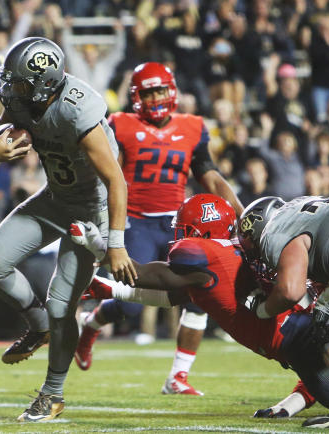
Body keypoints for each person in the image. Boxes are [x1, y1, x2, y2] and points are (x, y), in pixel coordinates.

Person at [0, 37, 134, 422]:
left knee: (63, 304)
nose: (12, 90)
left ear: (45, 82)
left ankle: (53, 394)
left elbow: (116, 181)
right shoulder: (21, 100)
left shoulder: (77, 109)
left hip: (91, 210)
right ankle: (37, 323)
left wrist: (116, 244)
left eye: (21, 83)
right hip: (55, 199)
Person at [75, 194, 329, 424]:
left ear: (201, 231)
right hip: (303, 346)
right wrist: (110, 290)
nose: (180, 235)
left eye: (186, 229)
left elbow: (143, 274)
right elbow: (172, 296)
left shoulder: (206, 255)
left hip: (304, 341)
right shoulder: (234, 256)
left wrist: (97, 246)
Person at [74, 62, 243, 396]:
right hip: (135, 220)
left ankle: (177, 377)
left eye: (160, 90)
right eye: (149, 91)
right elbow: (108, 177)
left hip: (179, 224)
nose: (156, 97)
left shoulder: (192, 127)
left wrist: (241, 213)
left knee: (203, 292)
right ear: (137, 94)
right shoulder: (121, 124)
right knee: (130, 304)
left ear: (172, 90)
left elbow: (208, 175)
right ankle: (92, 325)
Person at [238, 195, 329, 428]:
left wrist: (262, 310)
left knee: (327, 319)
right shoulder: (305, 208)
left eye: (249, 243)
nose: (254, 252)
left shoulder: (276, 229)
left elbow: (289, 292)